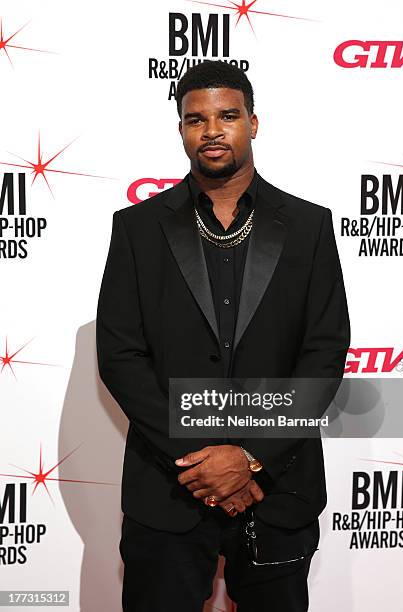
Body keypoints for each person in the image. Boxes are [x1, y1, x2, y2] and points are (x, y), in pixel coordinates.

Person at [96, 59, 351, 612]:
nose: (212, 130)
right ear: (182, 130)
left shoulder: (308, 227)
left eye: (228, 115)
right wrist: (203, 463)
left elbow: (324, 355)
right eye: (196, 119)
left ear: (253, 123)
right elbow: (120, 357)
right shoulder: (137, 229)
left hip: (278, 490)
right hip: (168, 492)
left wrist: (252, 457)